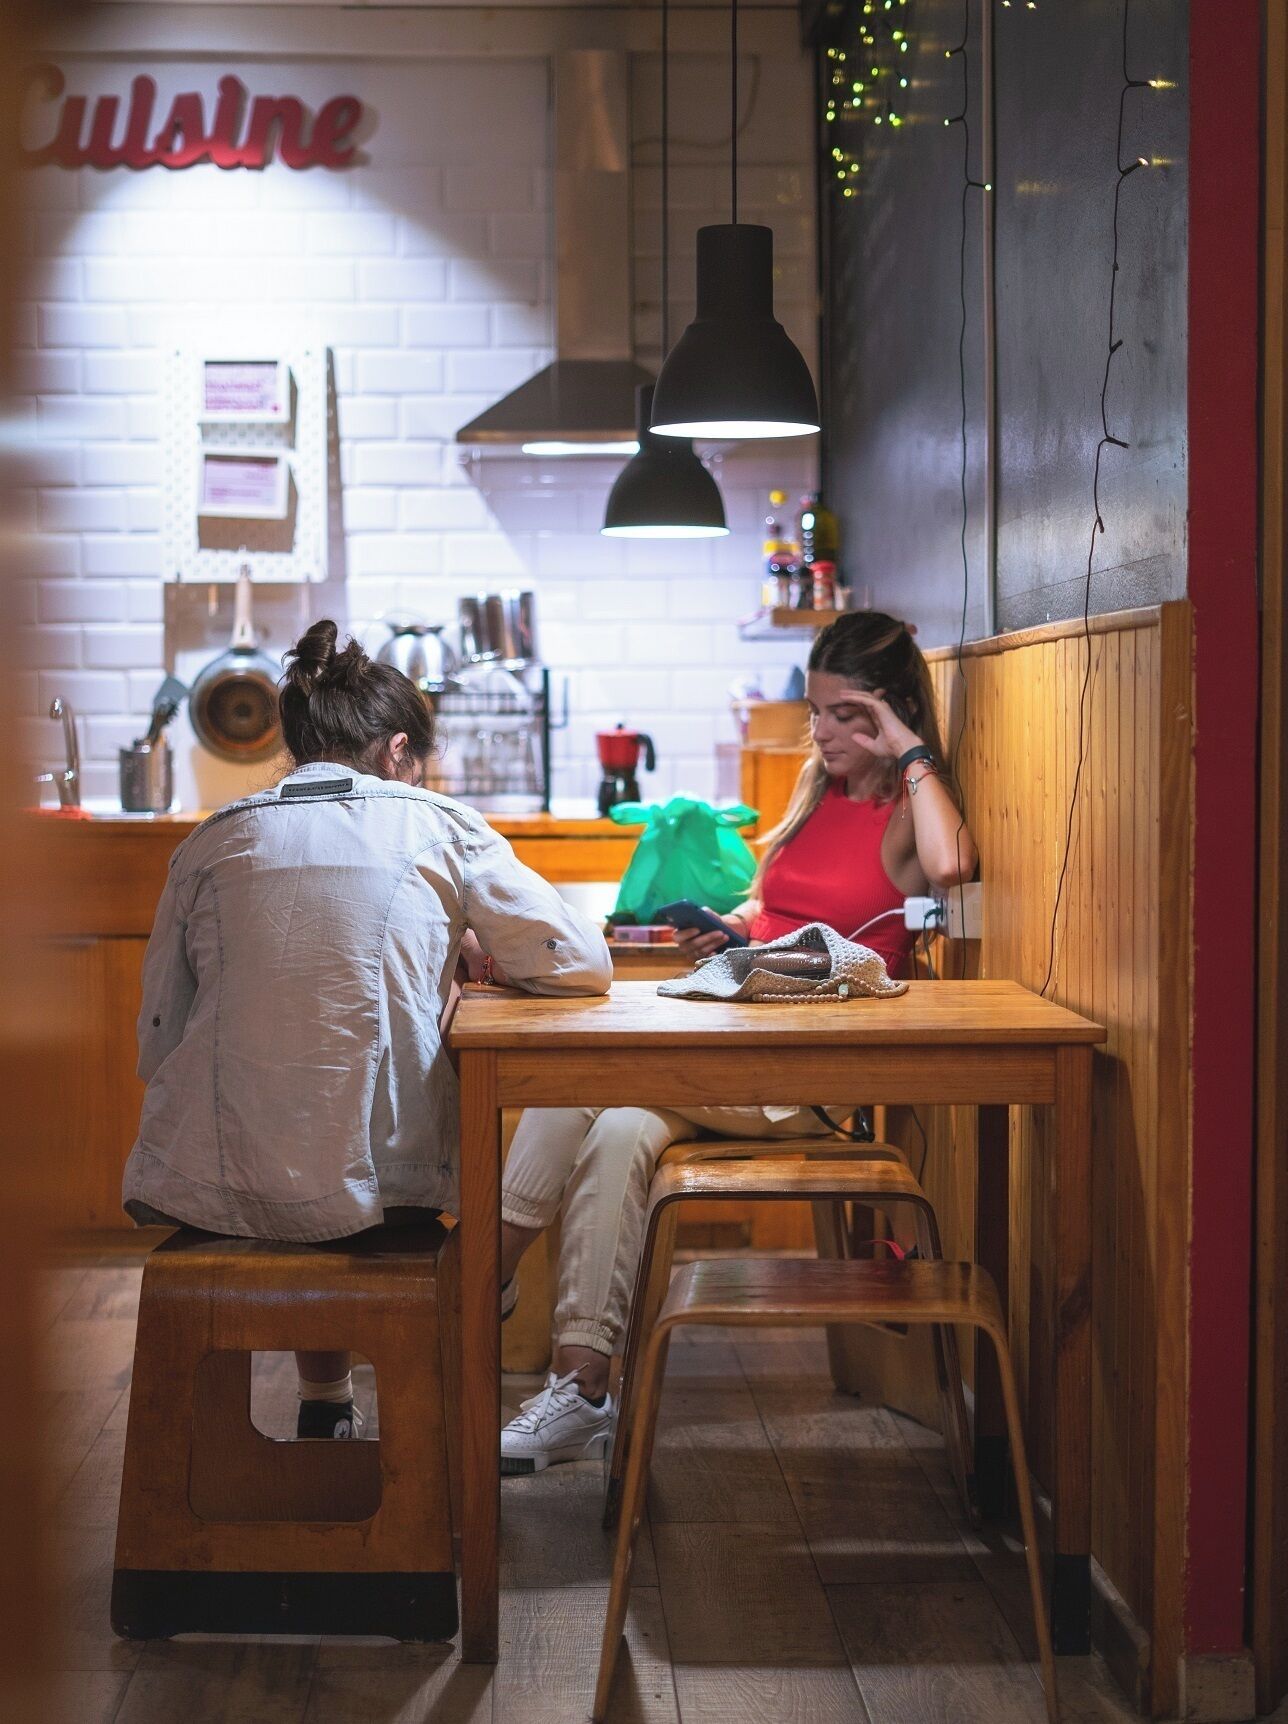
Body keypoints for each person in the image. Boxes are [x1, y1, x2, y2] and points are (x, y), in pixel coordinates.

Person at [494, 611, 978, 1474]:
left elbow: (949, 867)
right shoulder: (818, 791)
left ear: (891, 710)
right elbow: (773, 904)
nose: (820, 730)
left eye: (843, 712)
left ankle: (478, 1274)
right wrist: (734, 930)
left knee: (586, 1071)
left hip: (806, 1081)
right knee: (614, 1127)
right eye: (816, 711)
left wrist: (906, 744)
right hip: (733, 1043)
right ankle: (582, 1389)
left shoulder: (906, 811)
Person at [123, 620, 611, 1439]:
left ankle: (325, 1408)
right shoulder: (439, 825)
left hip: (207, 1186)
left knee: (298, 1132)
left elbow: (157, 1037)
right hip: (387, 1193)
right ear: (396, 751)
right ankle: (421, 1410)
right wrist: (474, 946)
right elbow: (579, 961)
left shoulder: (212, 838)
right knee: (346, 1157)